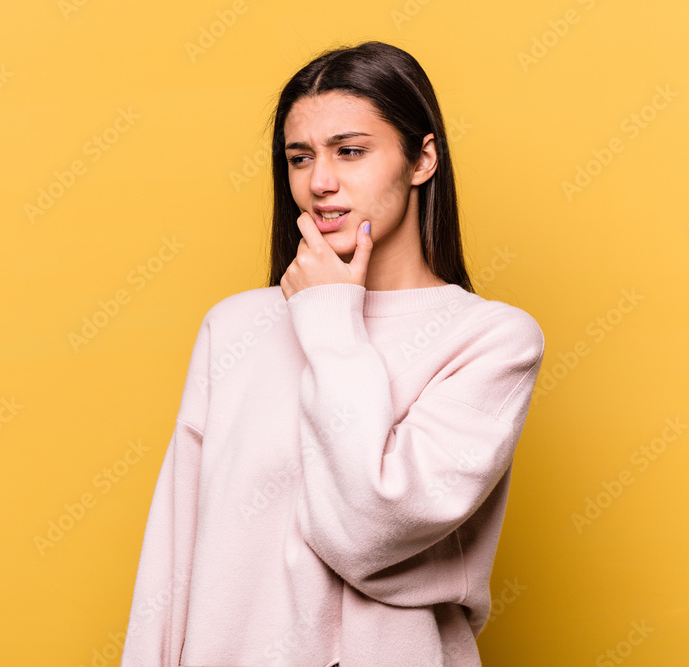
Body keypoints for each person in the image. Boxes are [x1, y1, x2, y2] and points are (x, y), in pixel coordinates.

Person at [120, 40, 545, 667]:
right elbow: (171, 556)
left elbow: (370, 527)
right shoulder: (234, 327)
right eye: (300, 157)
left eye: (350, 152)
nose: (320, 183)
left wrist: (329, 321)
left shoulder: (491, 341)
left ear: (422, 159)